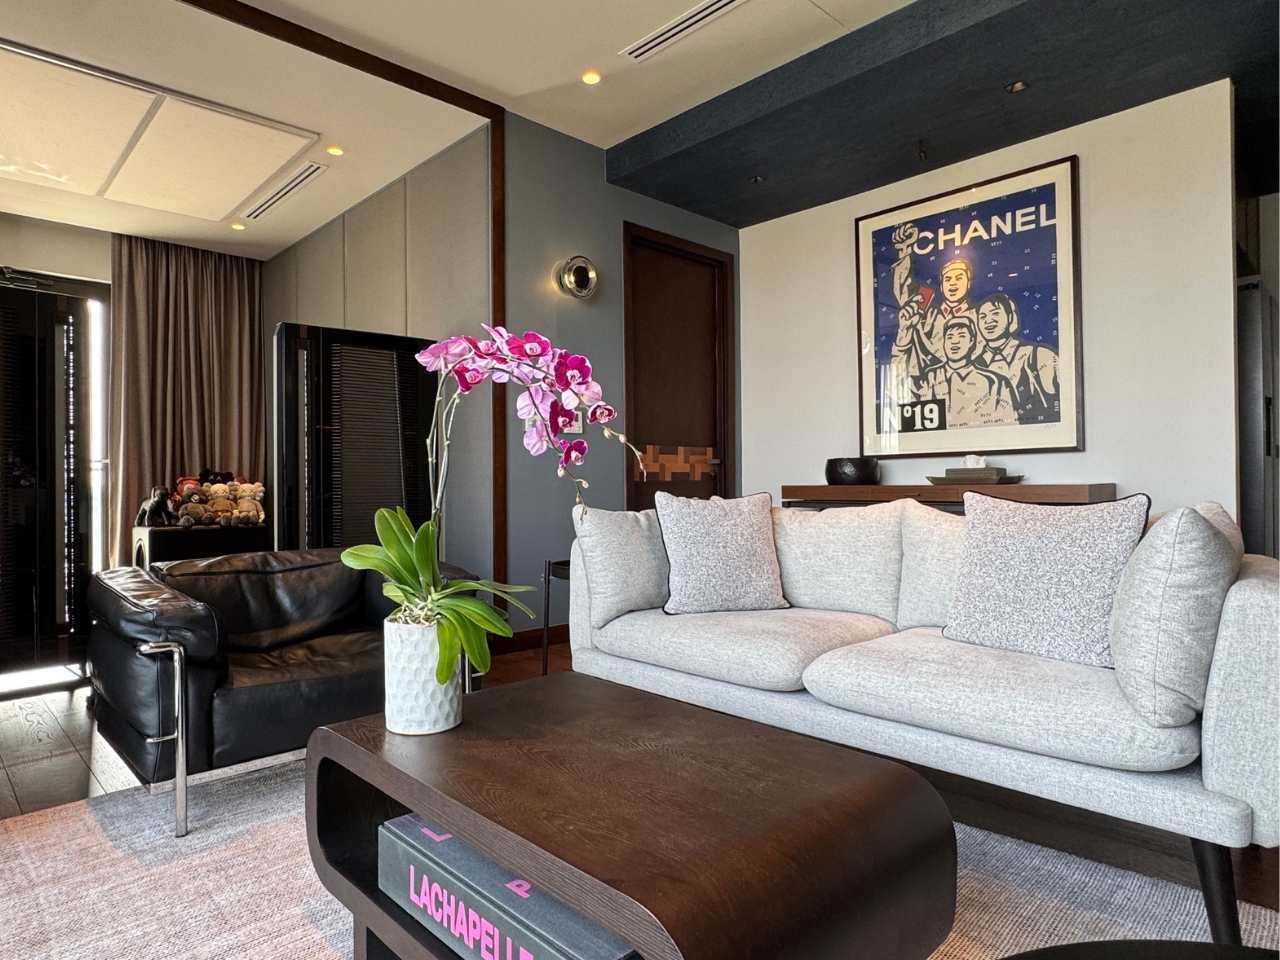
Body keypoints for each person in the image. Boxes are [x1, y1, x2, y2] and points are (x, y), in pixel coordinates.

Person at [887, 222, 976, 396]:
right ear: (941, 286)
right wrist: (905, 250)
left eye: (959, 278)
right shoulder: (927, 311)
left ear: (968, 283)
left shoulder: (979, 316)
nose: (953, 284)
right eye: (948, 279)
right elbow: (905, 293)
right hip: (927, 391)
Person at [918, 314, 1018, 429]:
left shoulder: (995, 381)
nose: (954, 342)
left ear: (971, 341)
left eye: (962, 336)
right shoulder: (930, 376)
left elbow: (1011, 425)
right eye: (949, 337)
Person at [975, 292, 1060, 424]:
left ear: (1010, 317)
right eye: (982, 317)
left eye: (995, 313)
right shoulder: (975, 365)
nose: (988, 320)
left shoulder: (1039, 355)